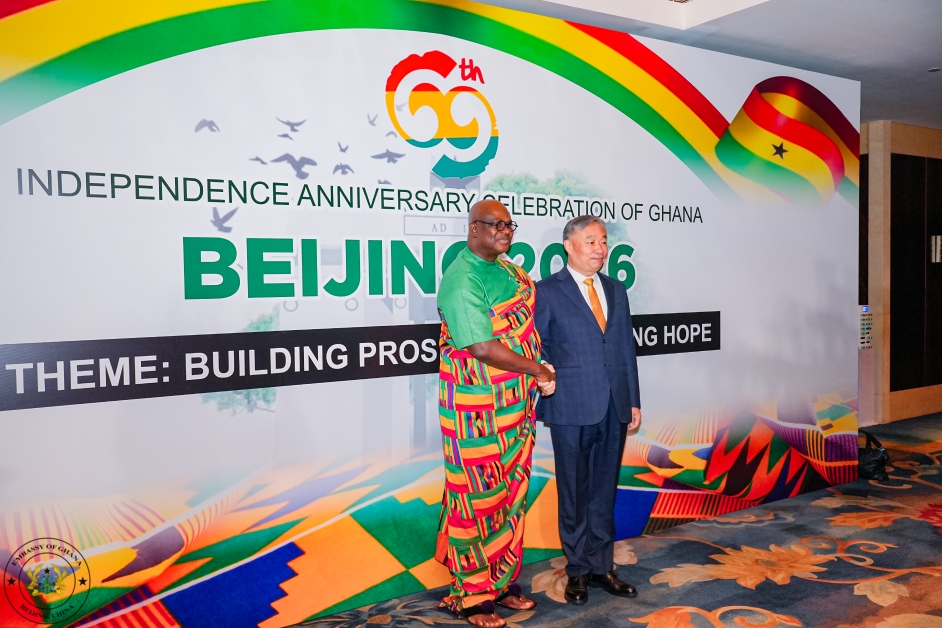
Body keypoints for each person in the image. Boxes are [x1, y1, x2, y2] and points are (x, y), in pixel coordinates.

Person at [435, 199, 556, 628]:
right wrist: (537, 369)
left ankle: (501, 581)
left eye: (509, 225)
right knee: (476, 497)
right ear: (473, 229)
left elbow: (523, 329)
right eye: (495, 225)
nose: (505, 231)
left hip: (514, 405)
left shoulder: (510, 271)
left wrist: (536, 369)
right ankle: (471, 595)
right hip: (474, 411)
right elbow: (482, 347)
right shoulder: (461, 278)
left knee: (511, 493)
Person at [534, 215, 642, 605]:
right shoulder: (546, 291)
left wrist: (633, 399)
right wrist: (543, 374)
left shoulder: (616, 289)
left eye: (603, 241)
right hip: (570, 405)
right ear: (569, 245)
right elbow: (538, 346)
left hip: (614, 404)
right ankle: (577, 569)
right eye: (591, 241)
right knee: (574, 492)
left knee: (603, 491)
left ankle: (602, 566)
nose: (600, 249)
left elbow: (625, 348)